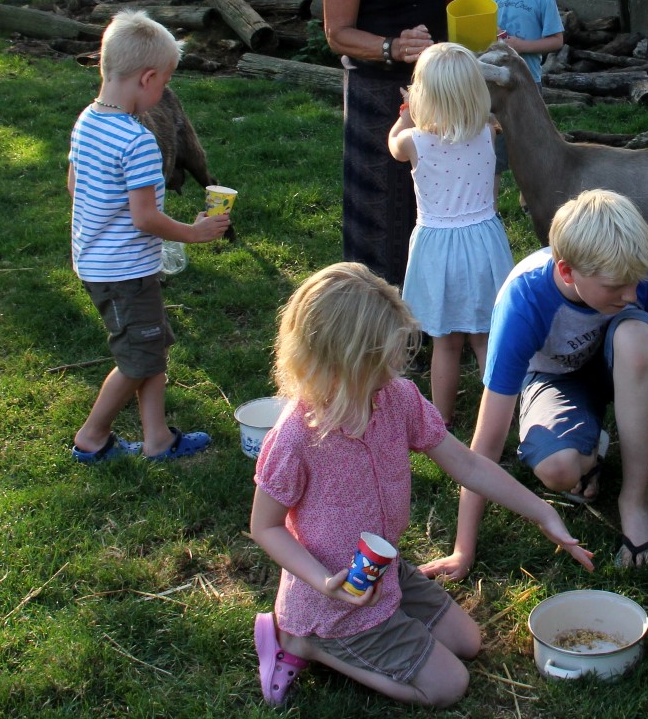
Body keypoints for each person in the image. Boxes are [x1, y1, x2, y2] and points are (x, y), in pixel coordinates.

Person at [249, 262, 592, 709]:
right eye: (379, 361)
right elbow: (266, 526)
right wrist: (321, 581)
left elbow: (467, 465)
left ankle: (382, 615)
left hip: (377, 572)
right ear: (337, 360)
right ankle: (305, 642)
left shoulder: (395, 399)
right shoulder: (296, 436)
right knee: (450, 684)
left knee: (468, 641)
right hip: (331, 600)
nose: (392, 370)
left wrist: (543, 513)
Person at [421, 190, 648, 578]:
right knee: (558, 470)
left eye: (636, 282)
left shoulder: (631, 274)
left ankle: (633, 499)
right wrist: (463, 550)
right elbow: (487, 442)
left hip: (626, 366)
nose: (631, 295)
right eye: (616, 287)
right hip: (554, 379)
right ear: (566, 272)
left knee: (636, 337)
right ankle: (590, 446)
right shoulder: (522, 302)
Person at [321, 0, 483, 288]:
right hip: (378, 95)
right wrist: (391, 47)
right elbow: (337, 33)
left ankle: (434, 314)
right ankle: (379, 323)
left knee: (436, 206)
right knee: (382, 215)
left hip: (432, 85)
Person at [68, 11, 230, 464]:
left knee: (152, 346)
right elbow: (145, 218)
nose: (164, 95)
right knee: (137, 360)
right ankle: (92, 437)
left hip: (100, 262)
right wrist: (194, 233)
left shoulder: (88, 120)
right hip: (123, 272)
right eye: (165, 84)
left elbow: (74, 186)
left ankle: (157, 438)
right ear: (149, 77)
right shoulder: (136, 140)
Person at [388, 43, 514, 428]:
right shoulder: (487, 133)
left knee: (445, 342)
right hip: (483, 243)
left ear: (423, 94)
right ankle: (504, 418)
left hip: (439, 249)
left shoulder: (414, 142)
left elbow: (393, 143)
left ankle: (440, 420)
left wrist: (405, 114)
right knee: (484, 338)